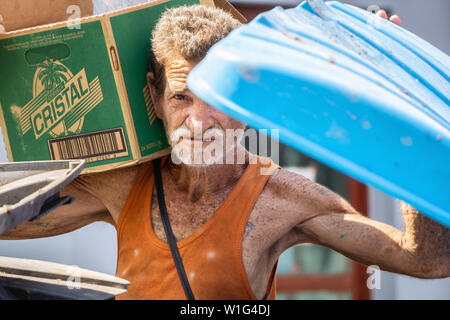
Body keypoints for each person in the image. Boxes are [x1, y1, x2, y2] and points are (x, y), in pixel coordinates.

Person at [0, 3, 448, 300]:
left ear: (246, 105)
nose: (198, 124)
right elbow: (9, 222)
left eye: (216, 101)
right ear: (153, 97)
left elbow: (427, 260)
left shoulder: (281, 201)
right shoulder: (126, 185)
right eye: (182, 98)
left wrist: (401, 108)